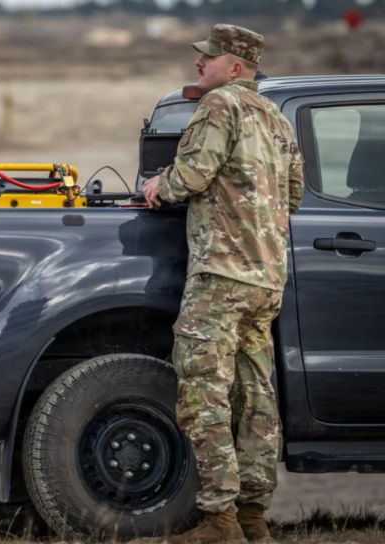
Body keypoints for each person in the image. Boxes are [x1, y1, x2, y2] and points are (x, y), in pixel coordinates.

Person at [142, 24, 304, 543]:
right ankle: (254, 516)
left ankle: (220, 520)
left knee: (203, 393)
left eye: (208, 58)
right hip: (266, 279)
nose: (199, 63)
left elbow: (191, 176)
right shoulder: (275, 118)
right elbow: (293, 195)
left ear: (236, 67)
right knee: (256, 396)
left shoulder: (219, 105)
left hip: (221, 276)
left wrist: (158, 184)